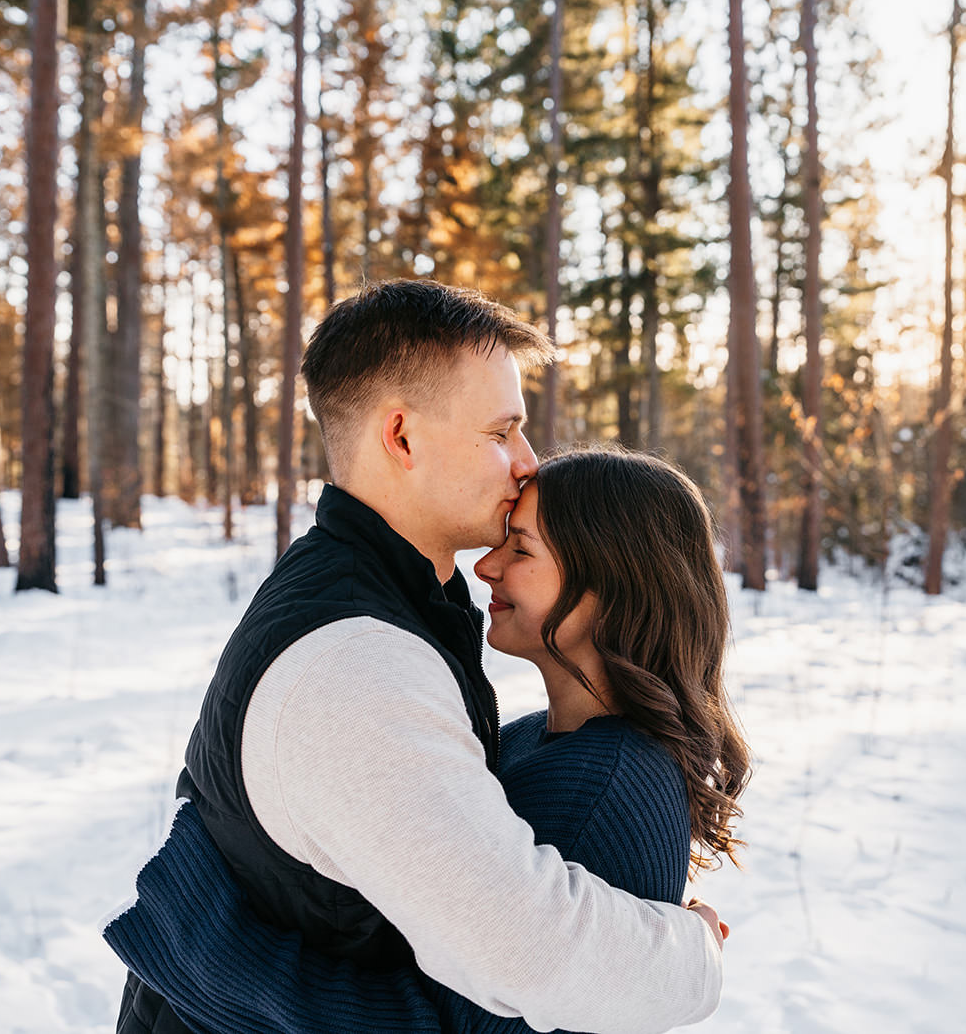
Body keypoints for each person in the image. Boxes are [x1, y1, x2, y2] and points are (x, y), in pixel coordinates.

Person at [113, 282, 726, 1034]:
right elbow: (531, 951)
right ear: (401, 436)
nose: (528, 462)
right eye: (503, 432)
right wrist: (693, 954)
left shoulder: (383, 595)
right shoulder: (358, 662)